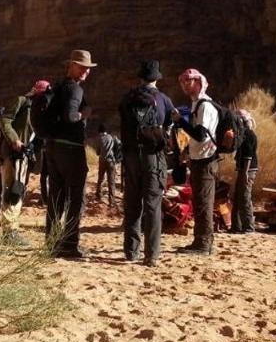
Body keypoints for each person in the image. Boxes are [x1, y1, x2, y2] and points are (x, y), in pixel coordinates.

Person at [119, 60, 176, 265]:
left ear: (140, 78)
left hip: (131, 156)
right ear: (156, 79)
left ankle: (130, 251)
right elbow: (172, 122)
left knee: (132, 203)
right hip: (153, 156)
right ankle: (151, 255)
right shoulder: (163, 99)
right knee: (152, 205)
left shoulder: (127, 99)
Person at [45, 50, 95, 258]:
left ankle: (52, 243)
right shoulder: (75, 90)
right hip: (71, 149)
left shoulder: (57, 87)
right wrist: (85, 113)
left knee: (56, 197)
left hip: (53, 148)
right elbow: (70, 116)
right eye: (82, 67)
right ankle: (70, 244)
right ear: (71, 65)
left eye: (88, 69)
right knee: (75, 198)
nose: (85, 72)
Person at [173, 68, 219, 255]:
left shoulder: (205, 106)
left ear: (199, 82)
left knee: (204, 203)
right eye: (183, 81)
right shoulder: (196, 105)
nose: (185, 84)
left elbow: (201, 135)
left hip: (206, 160)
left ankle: (204, 244)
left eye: (189, 81)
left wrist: (180, 121)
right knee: (199, 201)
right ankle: (200, 241)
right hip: (199, 159)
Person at [0, 80, 50, 245]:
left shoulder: (40, 111)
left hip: (25, 158)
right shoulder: (21, 102)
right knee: (12, 191)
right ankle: (9, 233)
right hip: (13, 155)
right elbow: (5, 121)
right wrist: (15, 140)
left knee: (18, 191)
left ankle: (12, 230)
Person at [230, 108, 259, 233]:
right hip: (244, 169)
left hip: (248, 169)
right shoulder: (243, 134)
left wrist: (245, 172)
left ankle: (248, 226)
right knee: (238, 197)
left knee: (245, 197)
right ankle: (236, 226)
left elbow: (248, 154)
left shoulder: (248, 135)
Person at [94, 124, 122, 208]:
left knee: (100, 179)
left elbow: (97, 152)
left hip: (102, 161)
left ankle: (98, 195)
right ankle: (112, 202)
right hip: (111, 161)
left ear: (100, 131)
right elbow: (120, 145)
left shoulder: (99, 139)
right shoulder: (112, 137)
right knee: (111, 181)